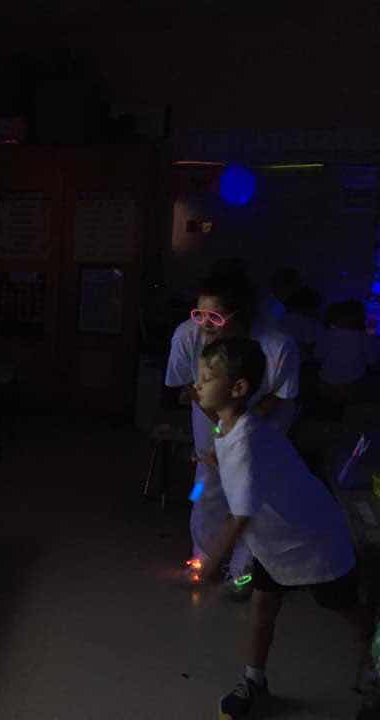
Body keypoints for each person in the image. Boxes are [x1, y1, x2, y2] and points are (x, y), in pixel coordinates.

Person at [193, 337, 372, 720]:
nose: (197, 384)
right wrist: (215, 459)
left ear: (238, 387)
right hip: (277, 542)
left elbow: (239, 517)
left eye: (207, 378)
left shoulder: (246, 441)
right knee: (263, 606)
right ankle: (253, 679)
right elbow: (237, 456)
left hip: (311, 541)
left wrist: (212, 562)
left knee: (345, 609)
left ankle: (374, 659)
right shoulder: (230, 425)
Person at [163, 272, 301, 597]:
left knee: (251, 495)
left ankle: (242, 570)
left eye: (215, 317)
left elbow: (279, 396)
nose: (204, 325)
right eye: (199, 314)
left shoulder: (277, 346)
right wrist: (219, 429)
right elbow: (190, 387)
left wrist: (236, 433)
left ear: (241, 316)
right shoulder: (187, 336)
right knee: (204, 485)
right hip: (210, 415)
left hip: (265, 419)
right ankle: (201, 557)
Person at [316, 300, 378, 421]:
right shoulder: (363, 337)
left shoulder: (327, 334)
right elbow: (372, 361)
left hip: (326, 384)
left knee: (329, 413)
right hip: (350, 386)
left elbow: (317, 356)